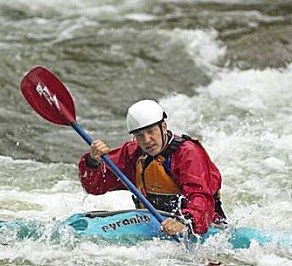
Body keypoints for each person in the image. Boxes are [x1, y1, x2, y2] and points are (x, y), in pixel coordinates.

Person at [78, 100, 226, 236]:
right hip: (154, 225)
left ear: (163, 127)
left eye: (151, 132)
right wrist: (93, 161)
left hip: (201, 227)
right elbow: (94, 186)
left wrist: (185, 223)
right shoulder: (132, 153)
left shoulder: (188, 154)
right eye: (140, 135)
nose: (147, 140)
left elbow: (200, 197)